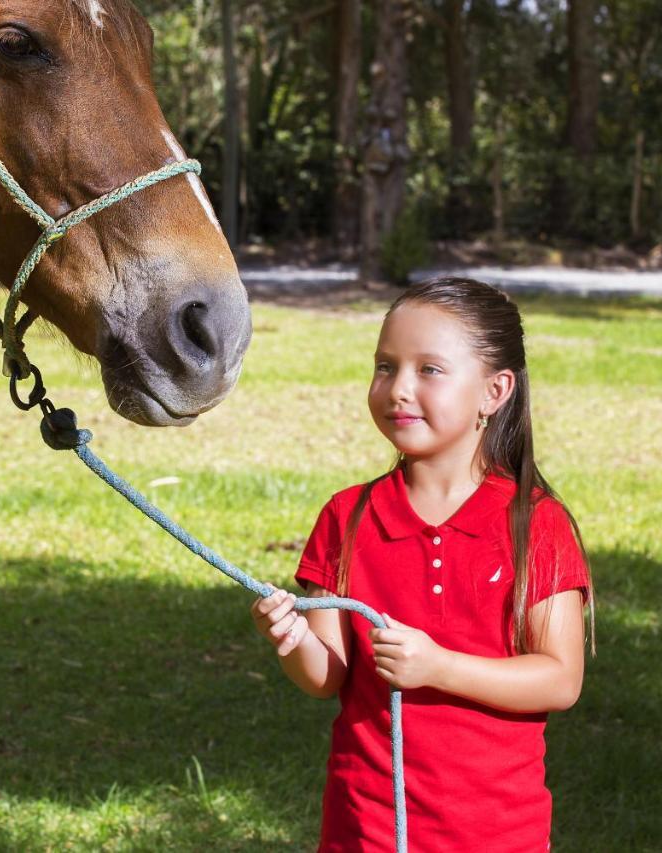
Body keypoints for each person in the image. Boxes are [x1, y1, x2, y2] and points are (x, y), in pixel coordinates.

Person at [251, 277, 594, 852]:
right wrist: (290, 639)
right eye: (386, 366)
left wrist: (438, 667)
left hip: (497, 835)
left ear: (494, 391)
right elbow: (326, 676)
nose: (398, 389)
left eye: (428, 370)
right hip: (369, 829)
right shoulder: (347, 516)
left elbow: (559, 679)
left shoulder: (534, 524)